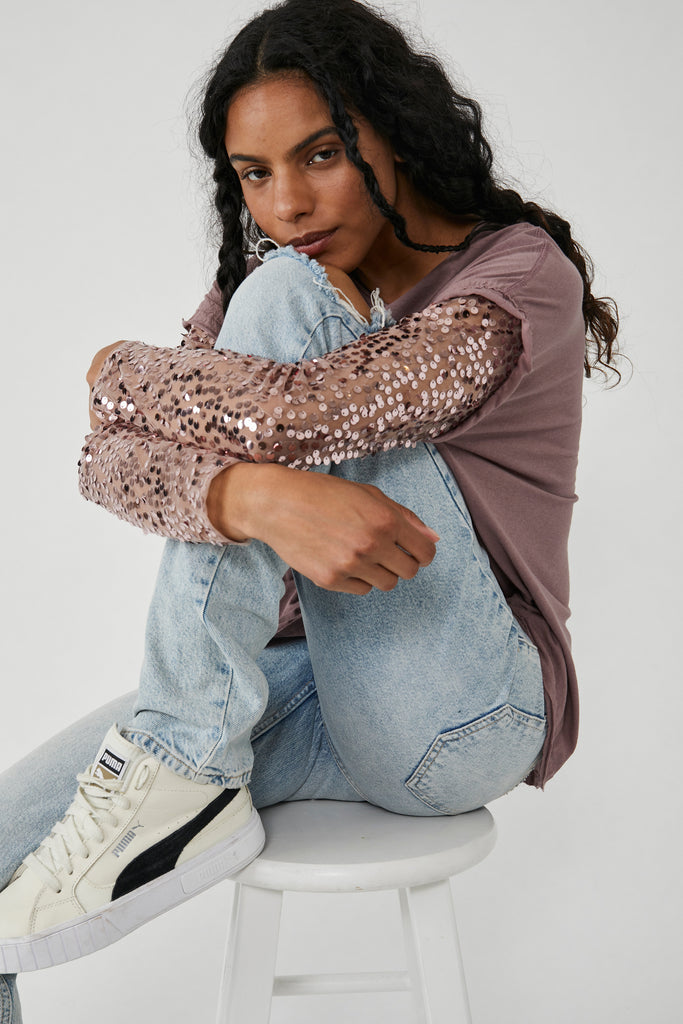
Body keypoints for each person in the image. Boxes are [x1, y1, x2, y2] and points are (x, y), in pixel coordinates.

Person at [0, 0, 619, 1017]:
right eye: (254, 174)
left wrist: (113, 369)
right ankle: (180, 765)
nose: (286, 203)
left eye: (321, 154)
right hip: (306, 687)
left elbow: (314, 410)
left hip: (465, 709)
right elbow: (106, 462)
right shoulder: (260, 295)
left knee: (282, 296)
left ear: (395, 131)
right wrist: (248, 493)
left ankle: (181, 759)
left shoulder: (512, 277)